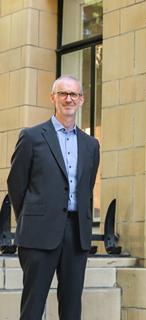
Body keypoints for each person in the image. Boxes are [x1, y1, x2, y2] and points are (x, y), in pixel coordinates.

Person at [7, 75, 100, 320]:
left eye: (74, 94)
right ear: (53, 98)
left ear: (81, 100)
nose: (68, 99)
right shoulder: (32, 137)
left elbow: (86, 188)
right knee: (33, 306)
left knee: (71, 308)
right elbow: (16, 184)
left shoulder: (91, 145)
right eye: (63, 94)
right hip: (38, 233)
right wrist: (31, 217)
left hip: (76, 235)